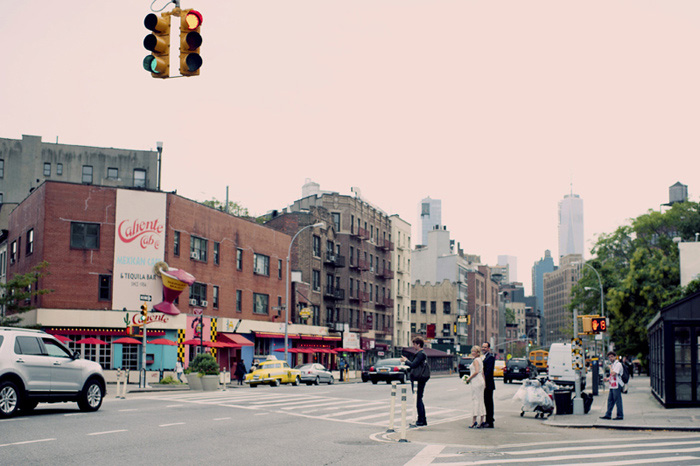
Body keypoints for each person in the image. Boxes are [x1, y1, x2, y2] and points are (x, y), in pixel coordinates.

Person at [401, 336, 428, 427]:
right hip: (420, 378)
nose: (413, 346)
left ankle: (421, 419)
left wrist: (405, 361)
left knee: (417, 399)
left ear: (418, 344)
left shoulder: (420, 354)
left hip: (418, 379)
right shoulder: (422, 354)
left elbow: (413, 365)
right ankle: (422, 419)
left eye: (414, 344)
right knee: (418, 398)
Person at [464, 345, 485, 428]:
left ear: (477, 353)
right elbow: (482, 372)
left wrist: (468, 378)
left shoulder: (476, 360)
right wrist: (484, 383)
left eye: (474, 352)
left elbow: (476, 371)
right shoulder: (480, 360)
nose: (472, 353)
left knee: (475, 400)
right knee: (481, 400)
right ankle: (482, 420)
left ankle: (474, 421)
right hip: (481, 381)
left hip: (476, 381)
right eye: (472, 351)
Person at [600, 351, 625, 420]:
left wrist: (610, 367)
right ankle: (608, 414)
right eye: (609, 357)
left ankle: (620, 415)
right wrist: (607, 379)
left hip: (617, 385)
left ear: (615, 357)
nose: (610, 358)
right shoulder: (613, 364)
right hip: (612, 385)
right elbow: (612, 376)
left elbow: (614, 373)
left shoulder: (618, 364)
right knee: (610, 400)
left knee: (617, 400)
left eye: (611, 357)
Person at [481, 341, 495, 428]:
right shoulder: (485, 357)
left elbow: (488, 372)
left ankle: (490, 422)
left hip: (488, 384)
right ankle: (488, 420)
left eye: (485, 347)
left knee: (489, 403)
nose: (483, 348)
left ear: (488, 348)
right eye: (482, 347)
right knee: (486, 403)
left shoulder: (490, 358)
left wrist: (484, 382)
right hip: (486, 383)